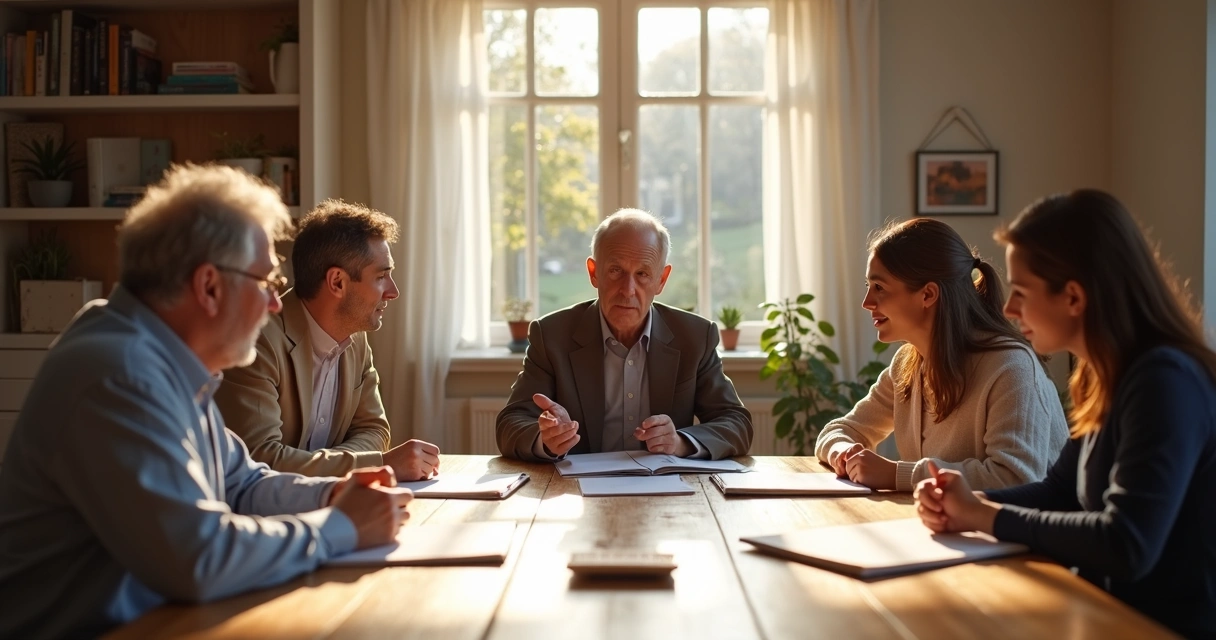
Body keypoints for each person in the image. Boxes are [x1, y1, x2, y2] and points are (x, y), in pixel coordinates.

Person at [0, 165, 412, 639]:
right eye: (264, 282)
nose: (276, 304)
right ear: (210, 287)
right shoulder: (120, 371)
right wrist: (338, 527)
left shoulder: (159, 356)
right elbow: (198, 557)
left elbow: (240, 483)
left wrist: (330, 494)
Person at [915, 189, 1216, 637]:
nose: (1009, 309)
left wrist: (985, 517)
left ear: (1073, 297)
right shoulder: (1102, 375)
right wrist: (971, 503)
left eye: (1020, 292)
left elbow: (1127, 543)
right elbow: (1059, 491)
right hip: (1103, 618)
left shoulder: (1164, 380)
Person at [814, 218, 1068, 491]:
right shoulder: (907, 365)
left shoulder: (1010, 368)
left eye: (880, 288)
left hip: (1018, 533)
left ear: (928, 295)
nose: (867, 303)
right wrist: (844, 452)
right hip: (949, 528)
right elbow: (838, 431)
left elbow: (1016, 477)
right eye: (868, 287)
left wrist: (897, 474)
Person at [496, 208, 752, 462]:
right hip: (577, 492)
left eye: (642, 274)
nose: (628, 290)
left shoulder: (695, 337)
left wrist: (679, 442)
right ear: (594, 272)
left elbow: (736, 423)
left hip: (665, 491)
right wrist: (547, 440)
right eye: (616, 271)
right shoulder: (551, 336)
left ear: (661, 280)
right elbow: (510, 423)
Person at [215, 200, 440, 480]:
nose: (393, 292)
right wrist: (377, 464)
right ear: (337, 282)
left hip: (331, 502)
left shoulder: (355, 338)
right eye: (381, 276)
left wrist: (327, 466)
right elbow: (260, 458)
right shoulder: (258, 341)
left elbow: (374, 430)